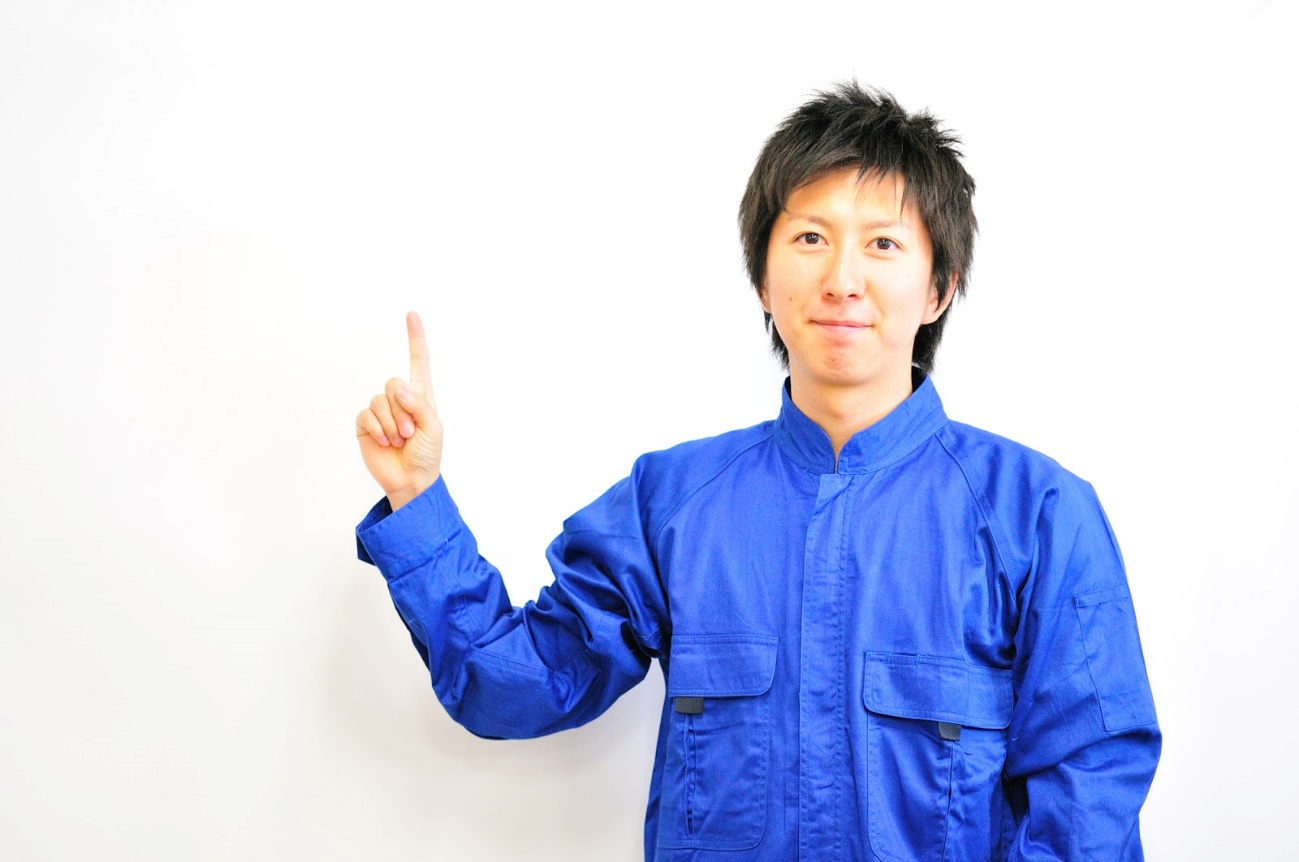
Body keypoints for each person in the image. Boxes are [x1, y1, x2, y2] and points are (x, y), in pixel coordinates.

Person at [353, 82, 1161, 860]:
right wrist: (417, 501)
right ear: (762, 282)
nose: (841, 279)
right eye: (810, 238)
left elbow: (1088, 790)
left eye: (882, 243)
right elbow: (513, 684)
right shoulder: (672, 505)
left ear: (938, 289)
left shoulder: (1038, 514)